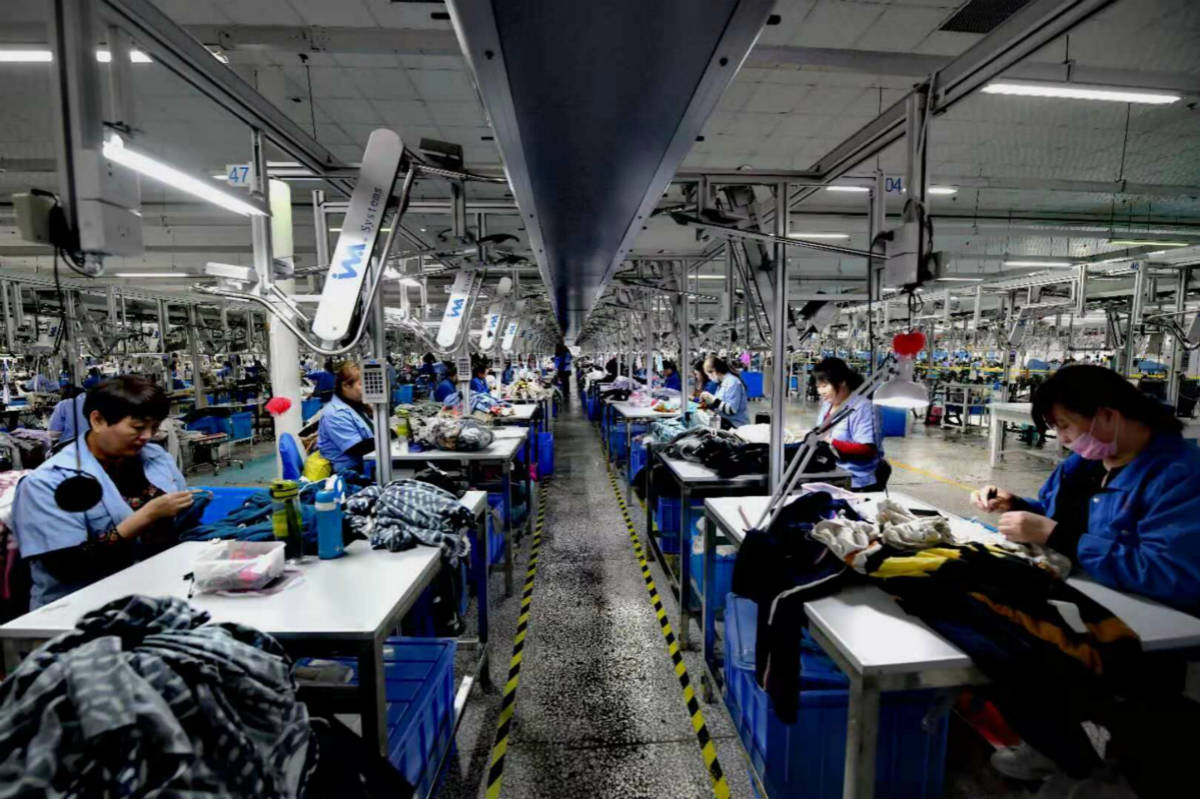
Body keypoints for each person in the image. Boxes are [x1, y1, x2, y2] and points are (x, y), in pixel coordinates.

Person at [971, 364, 1200, 610]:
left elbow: (1173, 577)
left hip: (1145, 617)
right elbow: (1063, 517)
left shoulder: (1181, 477)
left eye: (1064, 425)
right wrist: (1016, 505)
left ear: (1108, 416)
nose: (1062, 438)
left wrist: (1057, 537)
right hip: (1076, 593)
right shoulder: (1083, 464)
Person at [12, 376, 192, 608]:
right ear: (97, 420)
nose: (148, 436)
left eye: (154, 428)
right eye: (138, 427)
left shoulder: (156, 458)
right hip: (78, 609)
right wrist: (146, 516)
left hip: (154, 592)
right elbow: (67, 566)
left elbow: (180, 529)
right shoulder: (48, 483)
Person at [813, 357, 888, 491]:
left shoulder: (862, 407)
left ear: (842, 382)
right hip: (832, 471)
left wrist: (831, 442)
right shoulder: (827, 405)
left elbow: (866, 450)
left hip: (857, 480)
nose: (820, 392)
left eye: (824, 386)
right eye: (818, 386)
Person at [316, 361, 377, 473]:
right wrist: (389, 435)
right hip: (351, 472)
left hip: (364, 463)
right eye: (361, 384)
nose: (367, 388)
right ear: (345, 386)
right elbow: (357, 448)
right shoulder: (336, 414)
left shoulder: (356, 405)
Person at [699, 355, 749, 428]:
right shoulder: (722, 383)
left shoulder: (732, 382)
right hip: (726, 423)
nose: (709, 378)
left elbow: (731, 410)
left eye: (708, 375)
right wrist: (708, 403)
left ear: (714, 371)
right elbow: (720, 405)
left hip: (736, 426)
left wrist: (712, 399)